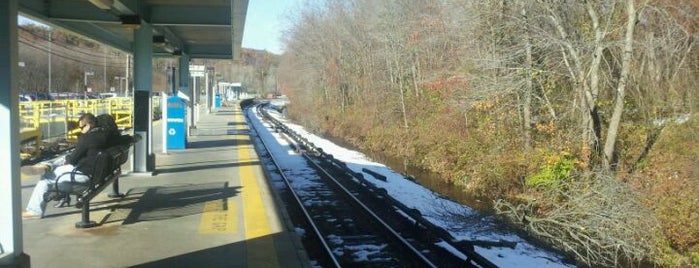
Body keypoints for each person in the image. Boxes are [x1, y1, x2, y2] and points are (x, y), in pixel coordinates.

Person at [22, 113, 110, 219]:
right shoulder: (105, 135)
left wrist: (67, 159)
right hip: (96, 173)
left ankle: (34, 211)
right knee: (60, 162)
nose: (81, 130)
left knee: (46, 178)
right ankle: (46, 166)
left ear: (89, 126)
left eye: (82, 127)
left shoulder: (87, 138)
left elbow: (72, 160)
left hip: (84, 174)